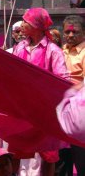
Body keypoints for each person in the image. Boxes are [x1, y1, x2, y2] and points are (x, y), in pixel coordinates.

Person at [13, 7, 68, 176]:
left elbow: (63, 80)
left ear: (36, 25)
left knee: (48, 154)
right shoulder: (20, 47)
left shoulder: (53, 51)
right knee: (17, 150)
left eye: (26, 21)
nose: (22, 25)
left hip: (45, 111)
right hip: (22, 109)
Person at [60, 15, 85, 176]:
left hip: (80, 114)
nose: (70, 35)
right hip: (61, 112)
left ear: (84, 33)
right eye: (67, 32)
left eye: (74, 32)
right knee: (62, 160)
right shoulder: (60, 51)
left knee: (82, 159)